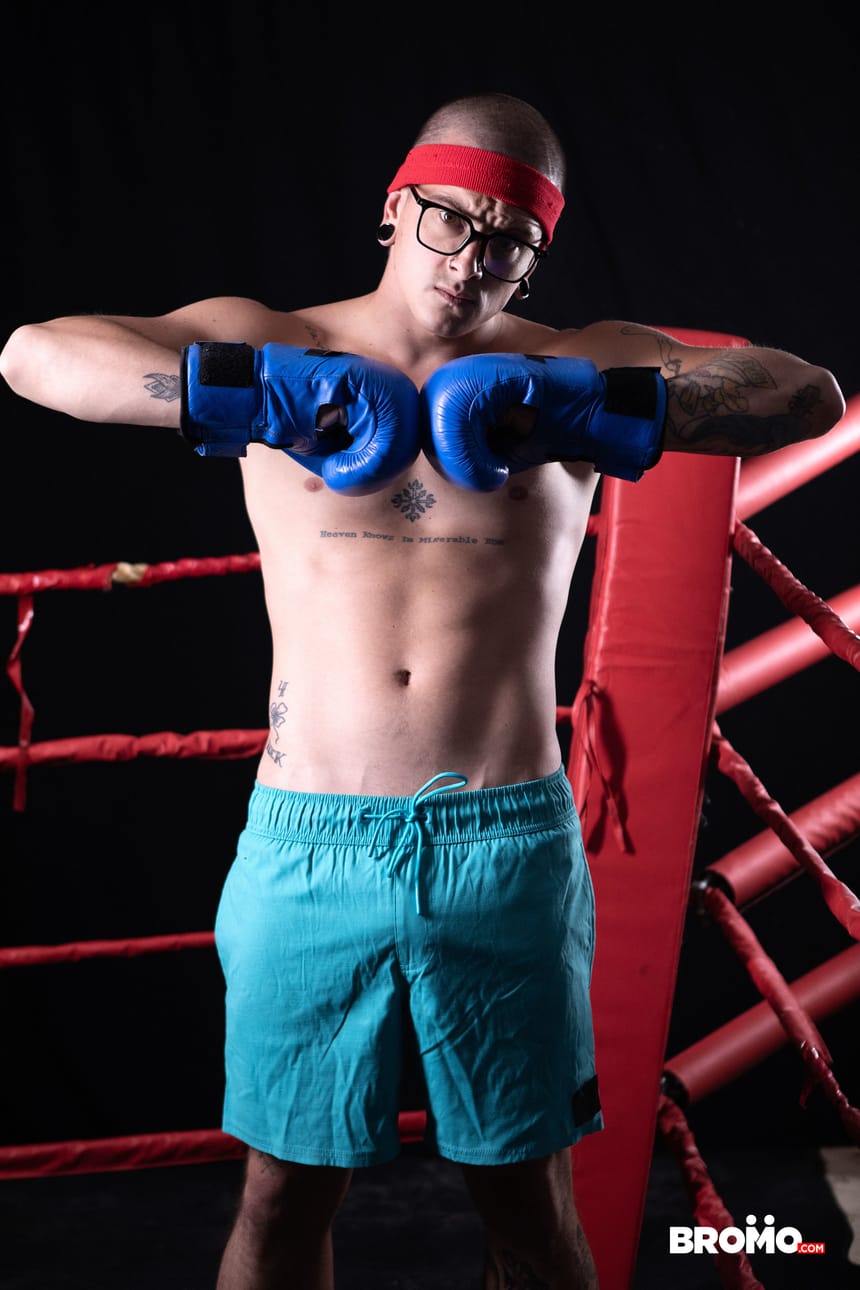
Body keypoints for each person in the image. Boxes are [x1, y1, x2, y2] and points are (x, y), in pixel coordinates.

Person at [0, 90, 845, 1290]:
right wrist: (260, 394)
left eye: (510, 242)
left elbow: (801, 394)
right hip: (309, 838)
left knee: (527, 1205)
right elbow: (33, 354)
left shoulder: (568, 363)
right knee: (280, 1196)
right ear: (396, 206)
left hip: (503, 844)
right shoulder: (278, 339)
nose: (471, 260)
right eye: (450, 220)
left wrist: (588, 407)